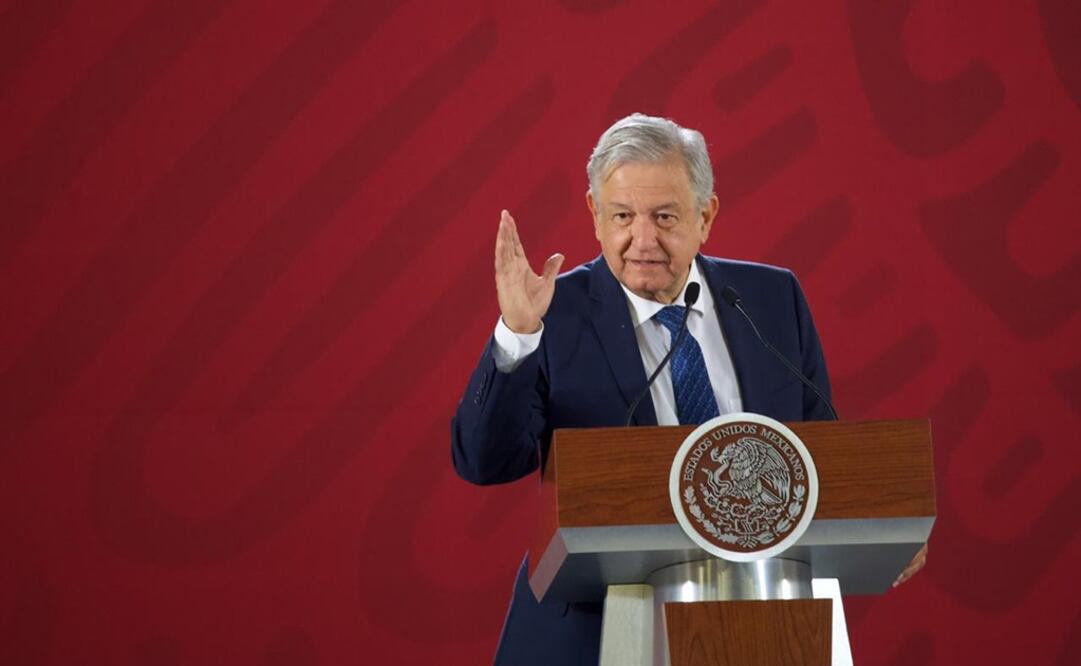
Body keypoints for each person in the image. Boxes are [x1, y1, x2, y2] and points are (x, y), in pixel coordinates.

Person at [450, 113, 924, 665]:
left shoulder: (770, 299)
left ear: (706, 216)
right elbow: (485, 462)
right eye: (623, 215)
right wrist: (517, 335)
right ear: (595, 216)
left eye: (665, 216)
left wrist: (884, 518)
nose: (642, 239)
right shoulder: (553, 312)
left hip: (767, 627)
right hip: (593, 635)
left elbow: (819, 454)